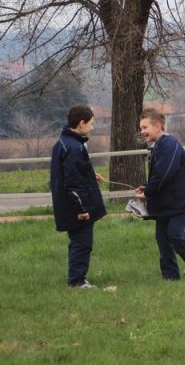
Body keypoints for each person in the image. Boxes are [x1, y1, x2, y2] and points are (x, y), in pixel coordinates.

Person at [134, 108, 185, 280]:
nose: (142, 132)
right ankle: (170, 278)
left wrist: (147, 192)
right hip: (166, 203)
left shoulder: (170, 145)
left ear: (158, 126)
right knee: (163, 240)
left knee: (175, 234)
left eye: (145, 127)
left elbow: (164, 175)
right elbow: (157, 177)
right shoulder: (158, 147)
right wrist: (145, 187)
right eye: (141, 128)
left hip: (180, 202)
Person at [50, 105, 106, 289]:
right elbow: (72, 182)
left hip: (70, 204)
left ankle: (78, 278)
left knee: (78, 242)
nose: (92, 126)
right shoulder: (73, 147)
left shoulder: (66, 142)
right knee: (82, 244)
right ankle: (77, 281)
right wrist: (82, 209)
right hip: (75, 207)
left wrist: (90, 175)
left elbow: (74, 172)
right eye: (91, 123)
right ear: (81, 123)